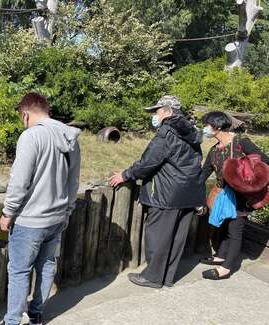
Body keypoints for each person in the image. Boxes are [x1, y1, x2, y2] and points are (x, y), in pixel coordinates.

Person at [0, 93, 81, 325]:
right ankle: (35, 313)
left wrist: (8, 212)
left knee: (19, 271)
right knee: (47, 265)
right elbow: (73, 180)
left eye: (21, 118)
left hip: (30, 220)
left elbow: (19, 181)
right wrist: (67, 211)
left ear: (25, 113)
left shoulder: (31, 136)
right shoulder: (70, 137)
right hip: (57, 218)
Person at [109, 95, 206, 288]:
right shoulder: (192, 132)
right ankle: (167, 277)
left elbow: (149, 162)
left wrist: (126, 175)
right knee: (177, 238)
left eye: (158, 111)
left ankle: (152, 277)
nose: (155, 115)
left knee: (158, 236)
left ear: (168, 111)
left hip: (167, 193)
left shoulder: (167, 131)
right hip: (189, 192)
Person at [200, 111, 269, 280]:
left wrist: (244, 173)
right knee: (223, 225)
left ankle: (226, 268)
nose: (205, 129)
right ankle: (221, 255)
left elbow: (264, 161)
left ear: (217, 126)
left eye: (207, 125)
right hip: (222, 195)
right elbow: (203, 174)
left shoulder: (241, 142)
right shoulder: (214, 150)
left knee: (235, 229)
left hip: (242, 195)